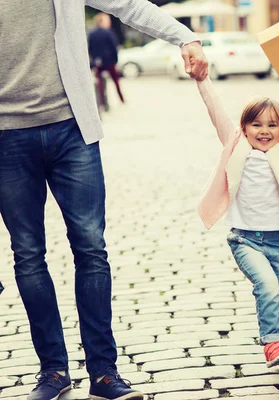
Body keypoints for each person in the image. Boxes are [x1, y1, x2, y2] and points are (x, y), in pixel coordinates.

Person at [0, 1, 208, 399]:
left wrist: (185, 36)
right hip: (7, 134)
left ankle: (104, 373)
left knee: (92, 249)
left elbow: (128, 5)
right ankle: (53, 372)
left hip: (72, 130)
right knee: (27, 254)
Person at [194, 62, 279, 367]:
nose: (264, 131)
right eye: (257, 125)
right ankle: (273, 343)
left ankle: (278, 337)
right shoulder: (235, 145)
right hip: (245, 240)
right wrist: (203, 80)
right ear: (244, 127)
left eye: (272, 125)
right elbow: (216, 111)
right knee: (268, 287)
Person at [88, 13, 125, 109]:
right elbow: (114, 47)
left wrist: (93, 60)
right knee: (116, 82)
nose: (109, 22)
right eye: (107, 20)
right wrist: (115, 61)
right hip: (109, 61)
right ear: (101, 21)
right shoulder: (109, 32)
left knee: (99, 83)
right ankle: (121, 99)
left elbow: (90, 48)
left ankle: (102, 103)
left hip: (97, 62)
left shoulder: (92, 33)